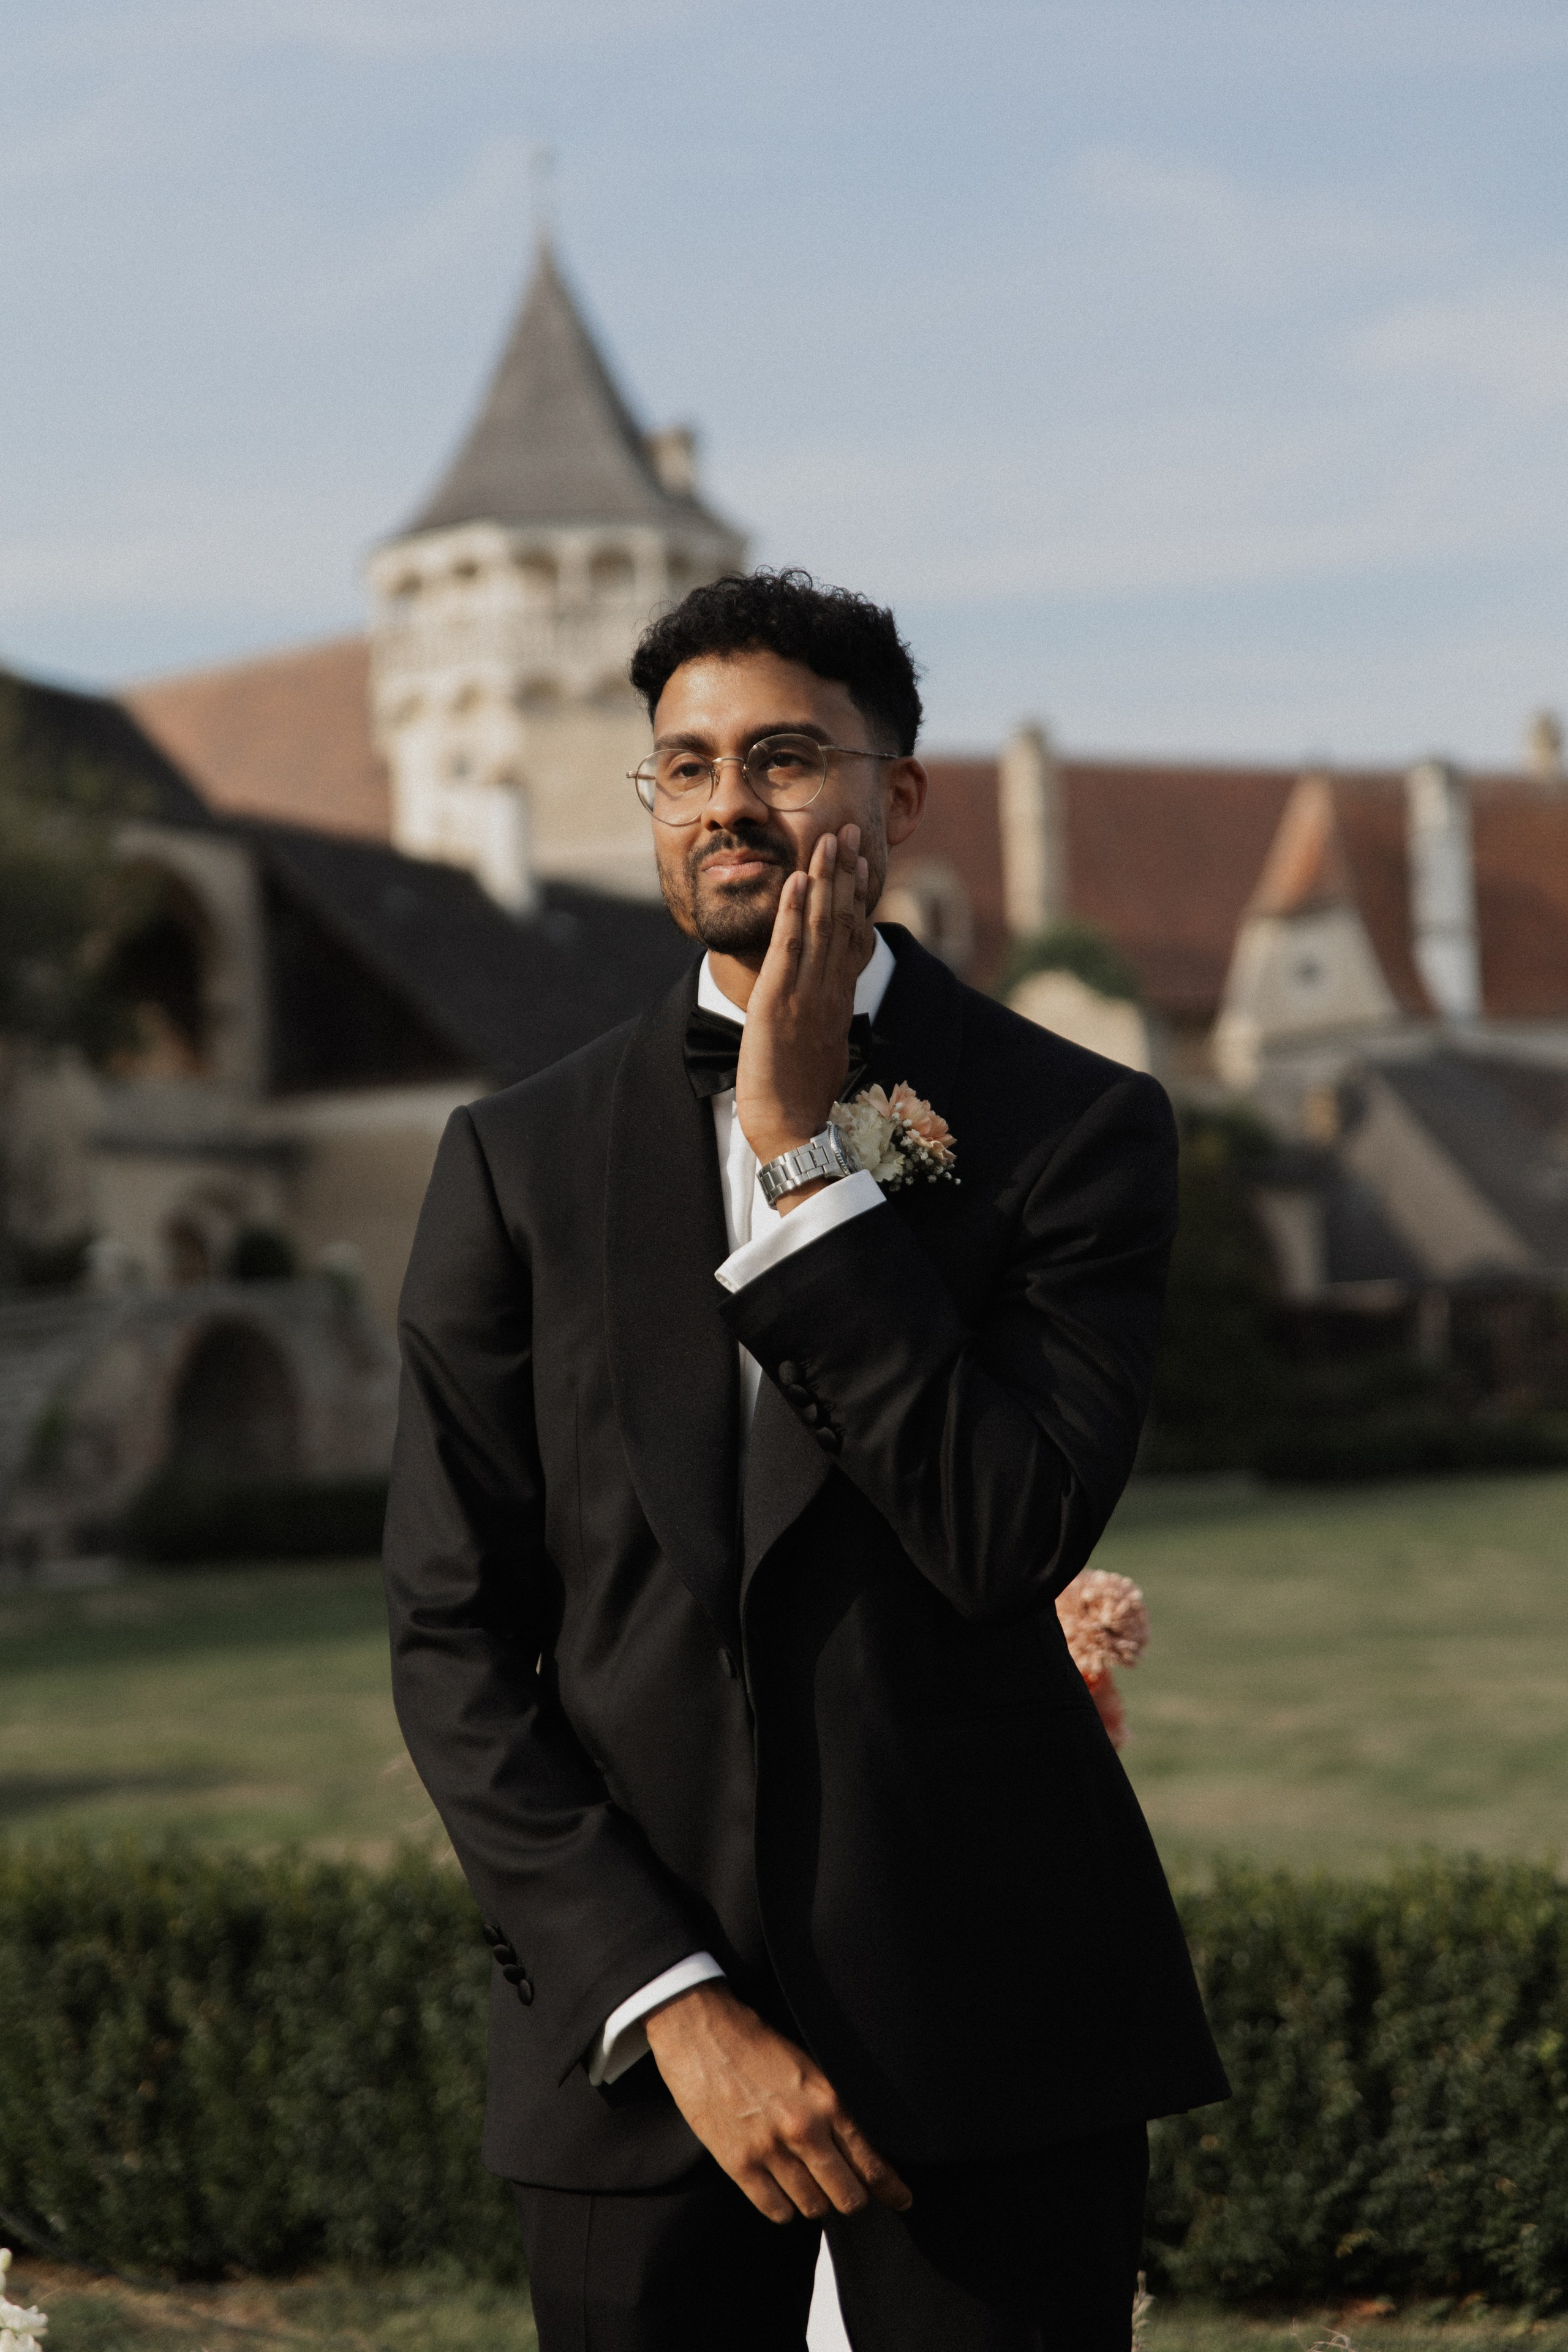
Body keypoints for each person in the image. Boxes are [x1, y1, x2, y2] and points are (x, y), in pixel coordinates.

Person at [382, 570, 1228, 2350]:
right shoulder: (514, 1159)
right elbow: (453, 1639)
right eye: (682, 767)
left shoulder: (1076, 1130)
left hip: (993, 2026)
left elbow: (1002, 1533)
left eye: (782, 756)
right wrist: (669, 1999)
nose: (725, 804)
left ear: (897, 795)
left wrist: (796, 1159)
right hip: (634, 2055)